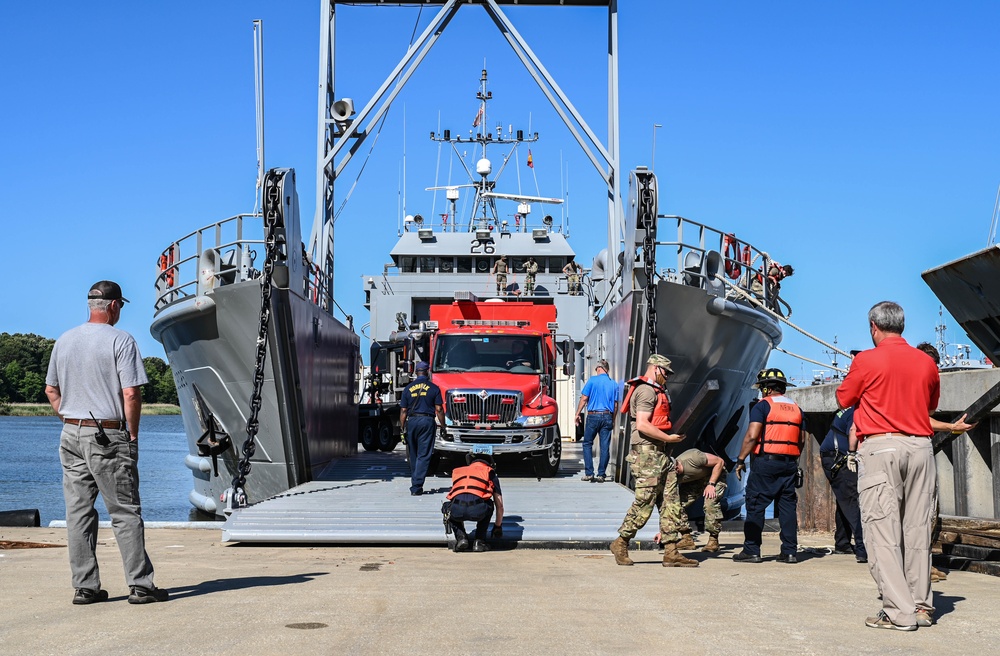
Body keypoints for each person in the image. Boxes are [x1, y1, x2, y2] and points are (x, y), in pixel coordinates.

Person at [44, 281, 168, 605]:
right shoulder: (121, 340)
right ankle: (141, 585)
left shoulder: (64, 340)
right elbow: (131, 392)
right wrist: (132, 432)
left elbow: (50, 391)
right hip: (108, 433)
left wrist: (71, 421)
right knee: (124, 510)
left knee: (79, 512)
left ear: (90, 305)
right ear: (113, 306)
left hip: (70, 433)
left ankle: (85, 587)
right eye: (121, 307)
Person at [836, 301, 940, 631]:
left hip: (882, 446)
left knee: (883, 532)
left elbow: (843, 398)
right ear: (902, 326)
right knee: (918, 528)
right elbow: (931, 404)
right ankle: (922, 606)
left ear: (873, 327)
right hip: (922, 447)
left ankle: (898, 612)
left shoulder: (866, 360)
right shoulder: (926, 362)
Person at [609, 354, 697, 567]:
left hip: (661, 454)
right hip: (648, 455)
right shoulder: (646, 391)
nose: (667, 377)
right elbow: (642, 424)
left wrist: (666, 443)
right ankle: (621, 542)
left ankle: (671, 551)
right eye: (666, 372)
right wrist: (668, 438)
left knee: (671, 502)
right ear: (656, 368)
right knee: (645, 501)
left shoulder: (657, 390)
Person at [913, 341, 976, 584]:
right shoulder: (916, 383)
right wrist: (952, 426)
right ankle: (919, 570)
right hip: (914, 450)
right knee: (920, 515)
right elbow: (920, 419)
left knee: (927, 515)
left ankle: (923, 564)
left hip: (915, 449)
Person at [733, 368, 804, 565]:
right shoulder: (797, 408)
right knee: (787, 507)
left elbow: (752, 435)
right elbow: (802, 440)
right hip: (789, 463)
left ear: (766, 389)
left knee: (755, 504)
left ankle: (751, 550)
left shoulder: (763, 406)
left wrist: (740, 460)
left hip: (766, 463)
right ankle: (789, 552)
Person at [819, 407, 868, 563]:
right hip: (839, 458)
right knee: (851, 499)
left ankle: (843, 543)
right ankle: (862, 549)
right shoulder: (857, 411)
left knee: (844, 498)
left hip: (833, 456)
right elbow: (854, 432)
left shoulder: (850, 409)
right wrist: (854, 454)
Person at [399, 361, 446, 496]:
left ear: (416, 372)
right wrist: (443, 426)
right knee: (424, 455)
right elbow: (439, 409)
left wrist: (403, 428)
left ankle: (415, 481)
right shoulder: (434, 388)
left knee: (413, 454)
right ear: (427, 372)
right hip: (427, 421)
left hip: (412, 421)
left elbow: (403, 411)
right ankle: (417, 486)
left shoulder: (408, 388)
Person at [442, 452, 504, 552]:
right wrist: (498, 526)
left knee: (446, 507)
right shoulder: (489, 472)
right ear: (489, 464)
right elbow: (500, 505)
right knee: (490, 505)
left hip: (457, 510)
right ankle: (479, 542)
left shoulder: (459, 471)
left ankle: (461, 538)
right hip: (478, 510)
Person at [672, 449, 728, 553]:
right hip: (694, 480)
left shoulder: (693, 457)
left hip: (714, 475)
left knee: (710, 504)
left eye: (675, 471)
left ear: (676, 466)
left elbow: (720, 461)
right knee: (675, 505)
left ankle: (713, 540)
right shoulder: (670, 475)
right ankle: (686, 538)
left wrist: (711, 484)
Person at [574, 359, 619, 482]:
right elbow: (615, 405)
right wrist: (613, 419)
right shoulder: (614, 384)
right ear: (607, 369)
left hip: (593, 416)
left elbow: (584, 399)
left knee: (587, 443)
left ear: (598, 368)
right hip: (607, 416)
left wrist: (577, 414)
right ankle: (601, 474)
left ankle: (589, 473)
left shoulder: (592, 381)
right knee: (605, 446)